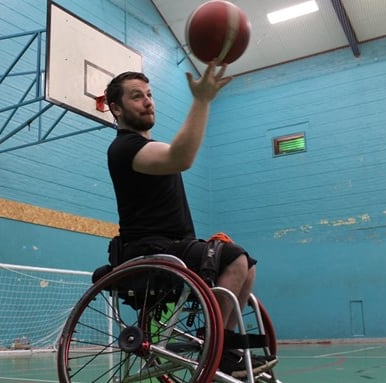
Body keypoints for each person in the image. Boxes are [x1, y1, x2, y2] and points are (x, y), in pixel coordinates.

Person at [104, 61, 278, 378]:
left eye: (149, 94)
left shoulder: (146, 146)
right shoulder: (123, 148)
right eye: (136, 96)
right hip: (149, 251)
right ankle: (216, 346)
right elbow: (180, 157)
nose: (147, 101)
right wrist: (202, 100)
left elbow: (176, 154)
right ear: (116, 108)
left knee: (246, 266)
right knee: (234, 258)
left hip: (175, 247)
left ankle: (223, 345)